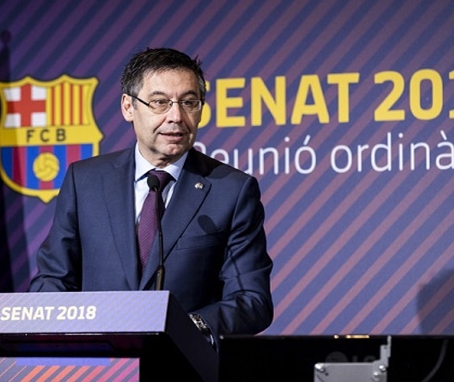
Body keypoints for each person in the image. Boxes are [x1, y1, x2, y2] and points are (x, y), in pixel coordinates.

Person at [29, 47, 273, 349]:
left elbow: (251, 300)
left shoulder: (231, 190)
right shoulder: (85, 181)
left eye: (189, 103)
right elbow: (53, 279)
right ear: (128, 107)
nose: (176, 117)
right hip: (97, 363)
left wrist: (185, 328)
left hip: (183, 362)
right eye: (160, 102)